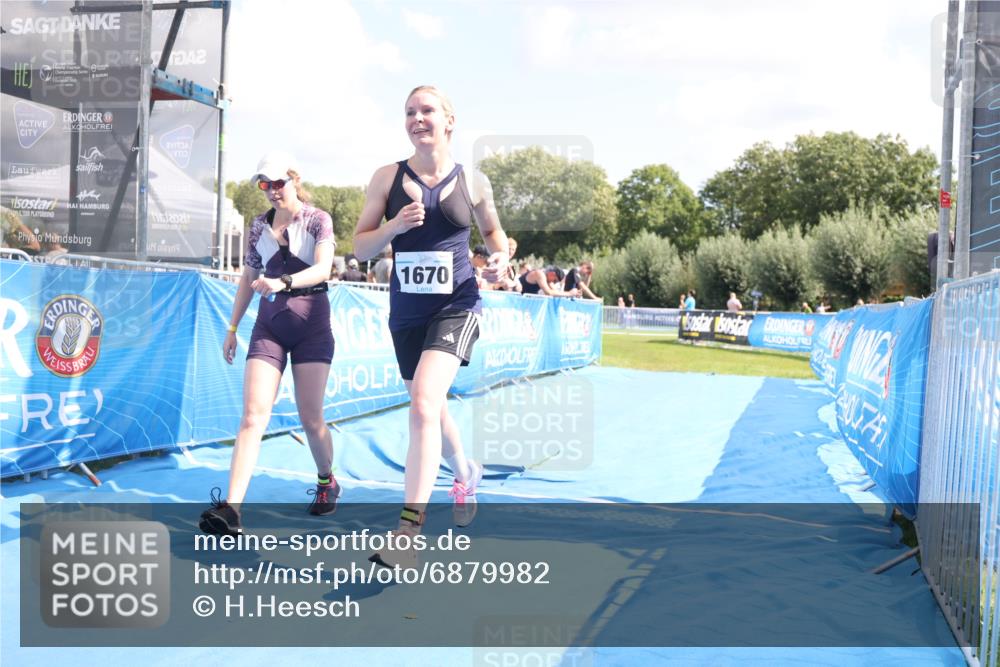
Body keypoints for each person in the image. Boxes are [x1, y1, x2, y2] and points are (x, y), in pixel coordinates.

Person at [353, 85, 509, 568]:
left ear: (449, 121)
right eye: (409, 112)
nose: (417, 119)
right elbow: (360, 249)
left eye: (426, 111)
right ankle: (465, 472)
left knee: (423, 402)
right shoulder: (386, 178)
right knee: (431, 407)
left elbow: (494, 234)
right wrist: (395, 227)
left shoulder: (473, 182)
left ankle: (408, 532)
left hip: (458, 304)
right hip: (407, 313)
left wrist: (501, 256)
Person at [199, 153, 337, 536]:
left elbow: (324, 269)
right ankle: (232, 510)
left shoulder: (316, 219)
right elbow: (248, 277)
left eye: (278, 183)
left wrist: (285, 283)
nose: (273, 191)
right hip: (269, 328)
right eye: (265, 185)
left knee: (311, 419)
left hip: (312, 326)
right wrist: (231, 327)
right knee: (252, 417)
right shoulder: (257, 226)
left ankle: (327, 480)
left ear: (294, 179)